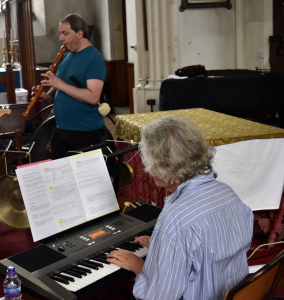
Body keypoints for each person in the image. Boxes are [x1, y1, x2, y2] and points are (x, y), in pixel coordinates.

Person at [107, 115, 253, 300]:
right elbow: (210, 248)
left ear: (164, 165)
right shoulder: (228, 194)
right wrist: (165, 248)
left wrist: (139, 266)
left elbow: (159, 297)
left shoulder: (175, 218)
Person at [31, 13, 108, 159]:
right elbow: (62, 84)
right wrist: (47, 95)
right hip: (61, 128)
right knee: (63, 177)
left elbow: (93, 97)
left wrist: (59, 84)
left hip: (84, 131)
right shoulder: (66, 55)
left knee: (85, 179)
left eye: (65, 33)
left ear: (79, 33)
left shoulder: (94, 58)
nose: (61, 38)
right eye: (61, 33)